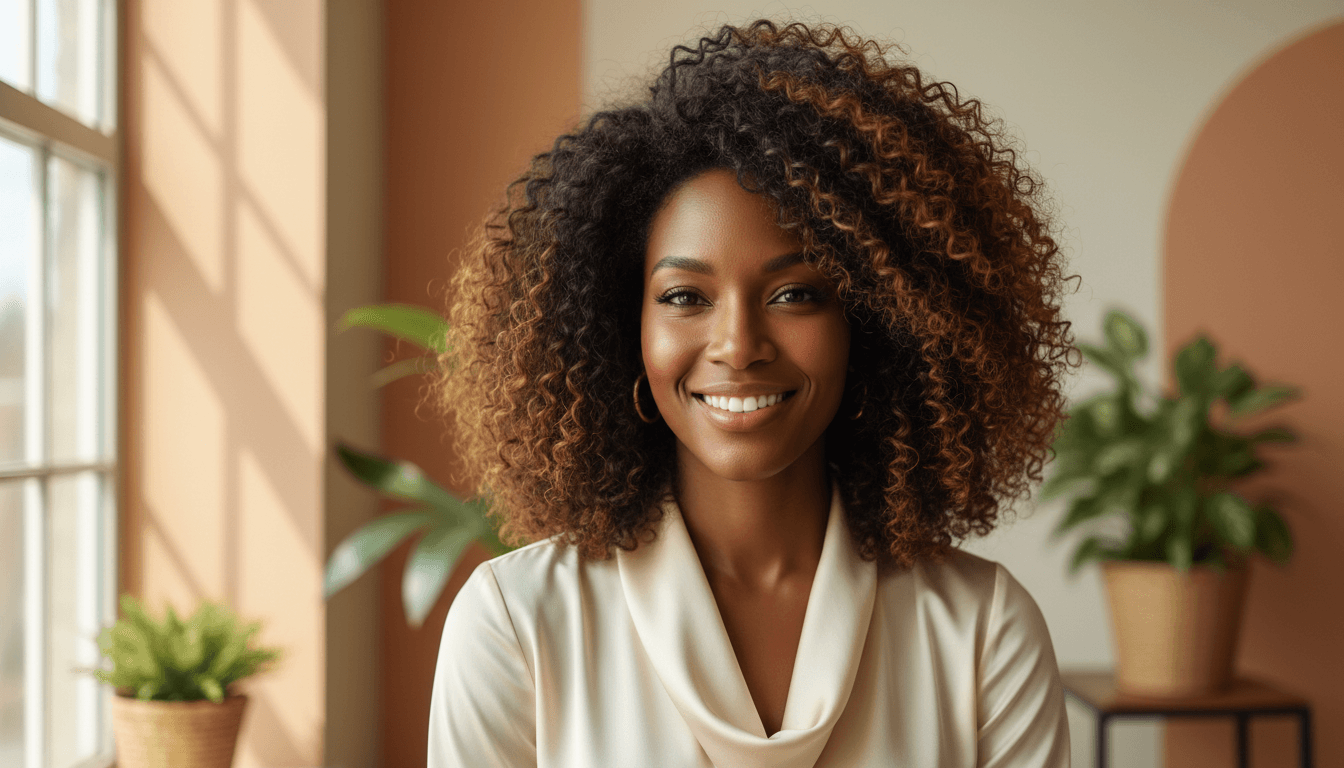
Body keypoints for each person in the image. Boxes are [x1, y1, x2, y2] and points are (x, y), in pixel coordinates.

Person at [430, 19, 1076, 767]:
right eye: (683, 297)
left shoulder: (981, 630)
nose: (738, 345)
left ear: (873, 325)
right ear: (621, 328)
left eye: (796, 293)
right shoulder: (519, 622)